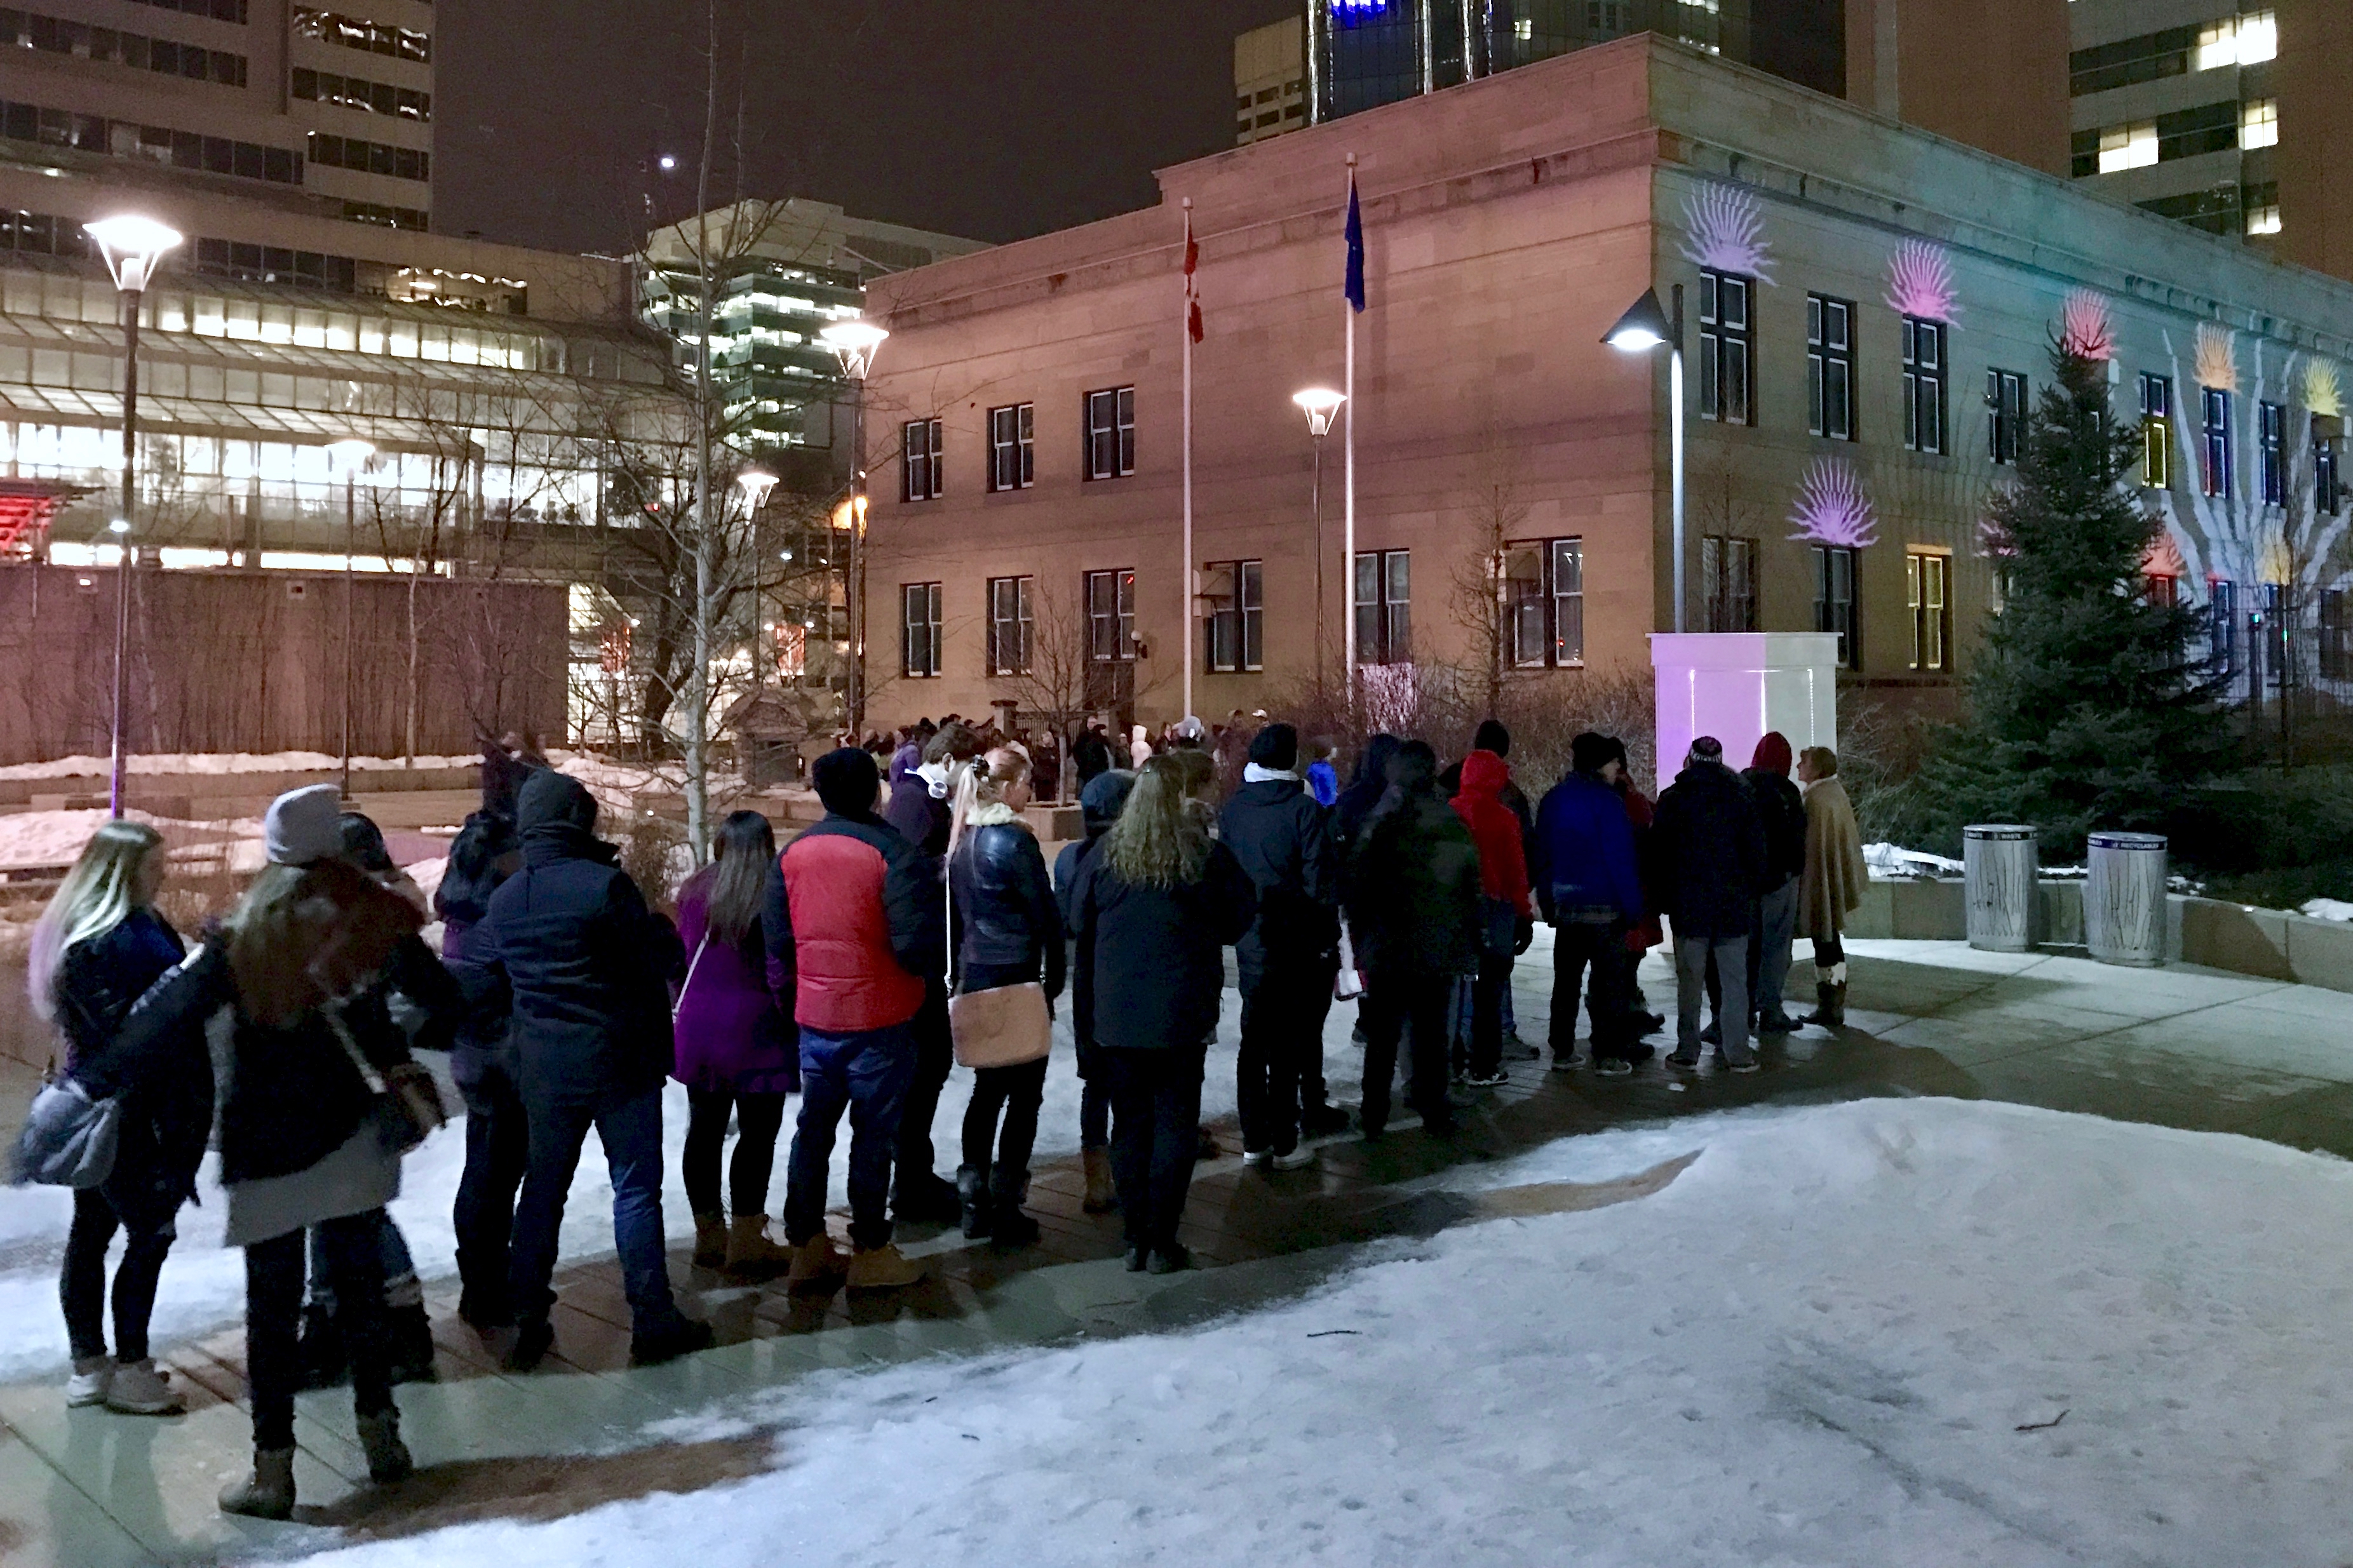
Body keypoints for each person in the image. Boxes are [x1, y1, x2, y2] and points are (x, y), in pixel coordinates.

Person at [105, 786, 432, 1518]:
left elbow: (163, 1018)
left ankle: (272, 1473)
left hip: (268, 1146)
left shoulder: (240, 934)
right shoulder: (371, 918)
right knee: (360, 1292)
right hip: (352, 1134)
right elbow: (443, 996)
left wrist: (90, 1084)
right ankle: (382, 1439)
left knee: (271, 1310)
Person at [456, 771, 709, 1372]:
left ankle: (527, 1316)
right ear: (578, 819)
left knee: (542, 1193)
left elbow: (490, 971)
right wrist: (661, 929)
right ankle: (652, 1318)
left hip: (545, 1070)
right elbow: (652, 960)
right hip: (621, 1063)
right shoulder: (605, 887)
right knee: (635, 1190)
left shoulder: (506, 898)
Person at [30, 822, 206, 1417]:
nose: (164, 874)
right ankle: (130, 1367)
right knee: (149, 1233)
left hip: (108, 1106)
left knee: (93, 1229)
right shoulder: (106, 939)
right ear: (122, 873)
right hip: (132, 1110)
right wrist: (189, 981)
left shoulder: (103, 929)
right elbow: (131, 1031)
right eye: (153, 866)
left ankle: (90, 1364)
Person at [1070, 756, 1255, 1272]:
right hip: (1181, 1010)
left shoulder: (1106, 855)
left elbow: (1077, 918)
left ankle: (1135, 1236)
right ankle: (1163, 1239)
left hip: (1118, 1011)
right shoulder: (1202, 854)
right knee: (1175, 1122)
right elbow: (1239, 915)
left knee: (1130, 1123)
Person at [766, 747, 941, 1292]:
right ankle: (870, 1249)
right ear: (874, 792)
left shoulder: (792, 854)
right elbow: (916, 946)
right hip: (881, 1017)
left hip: (816, 1018)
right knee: (873, 1134)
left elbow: (778, 940)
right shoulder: (895, 853)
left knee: (813, 1131)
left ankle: (807, 1245)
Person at [947, 747, 1064, 1245]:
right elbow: (1045, 915)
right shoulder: (1016, 842)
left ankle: (974, 1196)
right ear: (1010, 785)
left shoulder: (962, 841)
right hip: (1018, 974)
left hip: (976, 974)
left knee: (987, 1090)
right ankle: (1007, 1201)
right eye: (1027, 781)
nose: (1031, 789)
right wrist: (1054, 977)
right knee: (1024, 1095)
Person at [675, 810, 798, 1277]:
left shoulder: (694, 890)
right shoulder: (773, 892)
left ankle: (709, 1236)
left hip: (700, 1027)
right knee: (757, 1135)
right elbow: (779, 968)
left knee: (703, 1132)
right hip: (757, 1029)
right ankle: (747, 1239)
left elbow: (683, 958)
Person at [1219, 724, 1342, 1169]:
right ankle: (1286, 1137)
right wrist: (1325, 935)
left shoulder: (1234, 809)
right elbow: (1318, 883)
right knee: (1288, 1039)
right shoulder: (1303, 810)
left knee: (1254, 1039)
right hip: (1295, 941)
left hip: (1252, 937)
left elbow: (1227, 874)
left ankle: (1254, 1137)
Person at [1345, 742, 1483, 1136]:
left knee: (1382, 1036)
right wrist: (1468, 937)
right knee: (1431, 1035)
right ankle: (1434, 1110)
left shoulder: (1378, 821)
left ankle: (1373, 1113)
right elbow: (1468, 887)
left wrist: (1362, 937)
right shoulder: (1449, 820)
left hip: (1387, 947)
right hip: (1436, 945)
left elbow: (1357, 886)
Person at [880, 720, 982, 1226]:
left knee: (930, 1067)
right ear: (946, 762)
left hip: (931, 953)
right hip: (923, 957)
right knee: (925, 1067)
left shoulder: (921, 801)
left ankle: (914, 1173)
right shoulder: (915, 803)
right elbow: (914, 877)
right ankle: (911, 1179)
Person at [435, 812, 528, 1333]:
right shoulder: (498, 922)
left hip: (474, 1057)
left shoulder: (460, 916)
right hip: (504, 1059)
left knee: (484, 1170)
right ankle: (487, 1285)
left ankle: (481, 1278)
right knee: (495, 1177)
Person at [1530, 734, 1647, 1073]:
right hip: (1606, 909)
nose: (1617, 768)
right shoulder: (1609, 803)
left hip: (1567, 908)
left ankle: (1563, 1049)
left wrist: (1549, 901)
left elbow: (1542, 856)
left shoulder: (1554, 799)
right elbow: (1621, 860)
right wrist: (1633, 907)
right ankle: (1608, 1054)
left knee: (1566, 982)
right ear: (1599, 764)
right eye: (1613, 762)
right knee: (1608, 984)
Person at [1652, 737, 1766, 1072]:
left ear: (1690, 760)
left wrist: (1664, 899)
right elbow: (1757, 856)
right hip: (1733, 909)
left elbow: (1659, 856)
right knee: (1735, 984)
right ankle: (1739, 1053)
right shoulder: (1741, 797)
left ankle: (1687, 1050)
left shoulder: (1673, 799)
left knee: (1690, 984)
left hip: (1689, 909)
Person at [1055, 768, 1136, 1212]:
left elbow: (1066, 919)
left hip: (1087, 982)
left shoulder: (1071, 857)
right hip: (1121, 981)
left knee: (1096, 1084)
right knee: (1126, 1083)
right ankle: (1125, 1171)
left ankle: (1096, 1181)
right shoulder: (1127, 858)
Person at [1451, 747, 1534, 1089]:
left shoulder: (1450, 812)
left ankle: (1455, 1061)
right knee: (1490, 991)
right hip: (1495, 910)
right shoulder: (1505, 818)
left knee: (1456, 990)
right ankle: (1485, 1065)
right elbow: (1516, 872)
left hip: (1457, 910)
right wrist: (1524, 914)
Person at [1798, 746, 1869, 1028]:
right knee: (1830, 942)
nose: (1799, 767)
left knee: (1825, 943)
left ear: (1817, 769)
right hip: (1829, 879)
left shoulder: (1817, 800)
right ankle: (1834, 1000)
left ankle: (1829, 1003)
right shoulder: (1834, 793)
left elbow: (1813, 848)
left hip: (1820, 881)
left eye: (1804, 762)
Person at [1743, 734, 1809, 1035]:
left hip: (1747, 885)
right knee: (1777, 948)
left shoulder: (1742, 786)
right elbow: (1796, 839)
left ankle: (1742, 1012)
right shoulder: (1787, 792)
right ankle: (1771, 1010)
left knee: (1746, 949)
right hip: (1780, 883)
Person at [1070, 720, 1116, 791]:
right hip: (1087, 769)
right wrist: (1080, 763)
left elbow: (1111, 750)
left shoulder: (1102, 739)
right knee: (1085, 788)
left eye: (1094, 723)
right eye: (1091, 723)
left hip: (1096, 768)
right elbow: (1076, 751)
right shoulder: (1084, 737)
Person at [1305, 737, 1340, 810]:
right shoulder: (1324, 770)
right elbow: (1330, 790)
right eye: (1333, 746)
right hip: (1325, 807)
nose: (1336, 749)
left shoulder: (1315, 767)